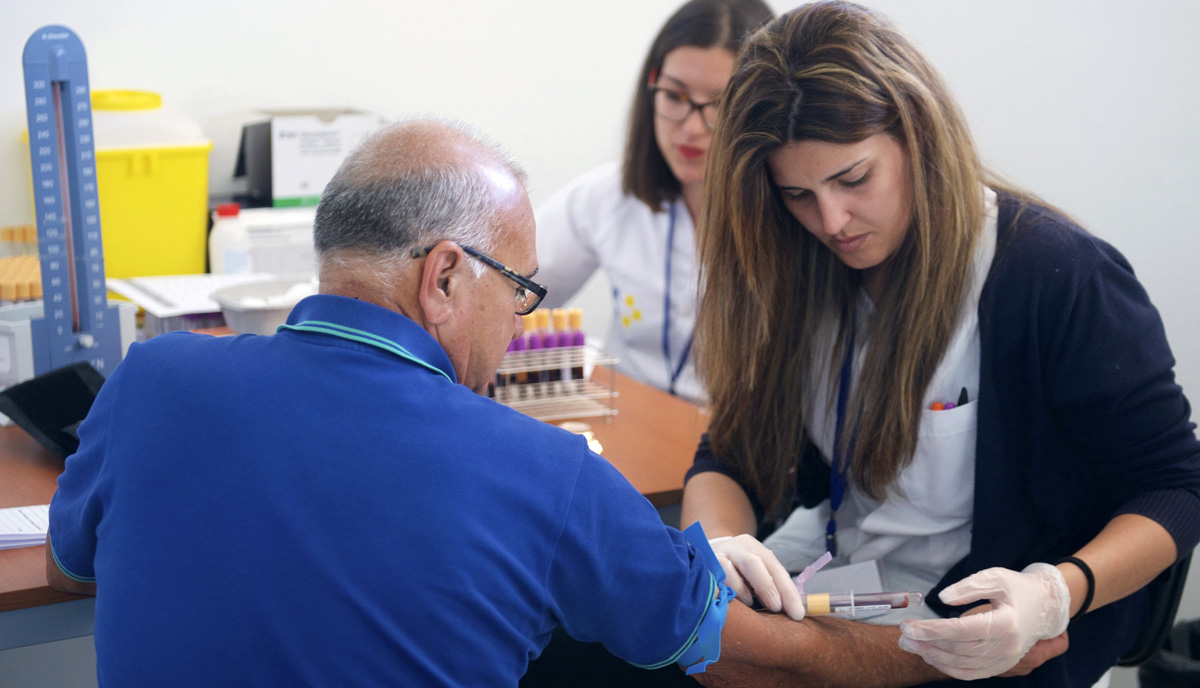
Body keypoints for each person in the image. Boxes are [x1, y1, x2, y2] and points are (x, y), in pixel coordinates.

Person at [45, 119, 736, 687]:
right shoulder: (549, 472)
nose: (520, 318)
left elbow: (69, 568)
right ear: (443, 278)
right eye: (519, 288)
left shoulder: (150, 377)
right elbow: (721, 644)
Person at [680, 1, 1200, 686]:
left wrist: (1054, 593)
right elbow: (731, 451)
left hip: (989, 622)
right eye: (798, 195)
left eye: (853, 179)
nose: (831, 221)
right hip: (849, 579)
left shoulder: (1051, 273)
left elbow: (1174, 486)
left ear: (917, 134)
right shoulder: (801, 264)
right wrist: (719, 545)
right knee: (681, 640)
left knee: (729, 663)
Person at [533, 0, 773, 403]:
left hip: (737, 445)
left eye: (719, 104)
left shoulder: (797, 217)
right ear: (653, 86)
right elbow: (508, 287)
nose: (691, 127)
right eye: (675, 96)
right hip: (622, 420)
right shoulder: (609, 196)